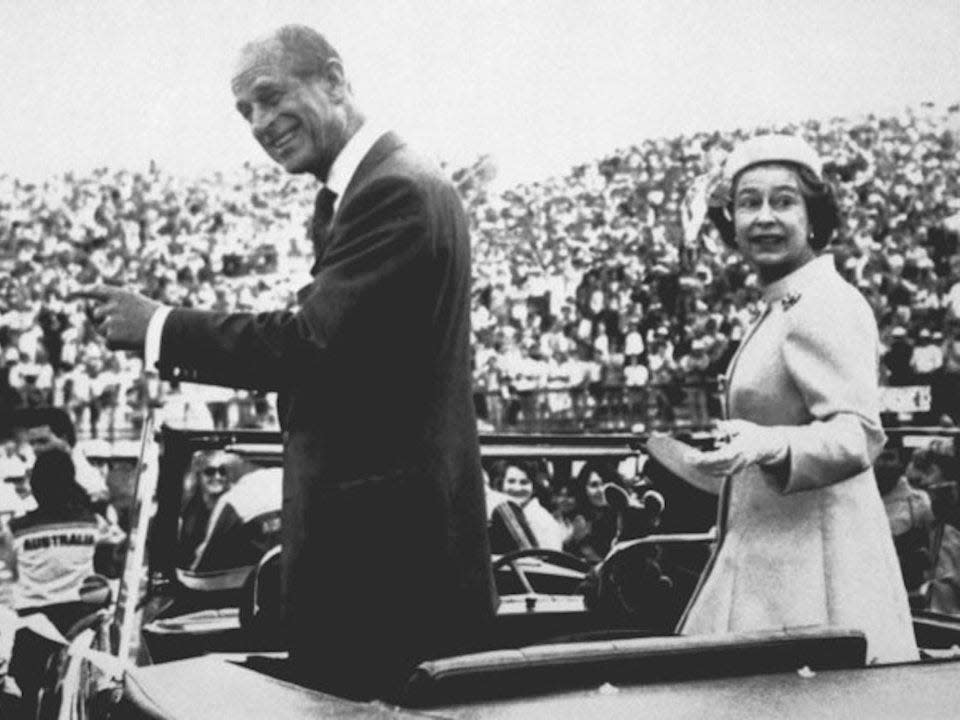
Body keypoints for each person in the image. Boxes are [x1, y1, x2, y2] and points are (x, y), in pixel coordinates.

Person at [74, 24, 495, 699]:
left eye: (269, 98)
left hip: (387, 578)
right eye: (245, 111)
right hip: (385, 565)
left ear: (332, 80)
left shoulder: (394, 191)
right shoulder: (371, 189)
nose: (260, 124)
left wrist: (161, 327)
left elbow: (310, 345)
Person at [678, 134, 917, 664]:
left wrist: (768, 444)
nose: (764, 217)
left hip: (817, 576)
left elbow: (858, 432)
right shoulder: (784, 303)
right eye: (748, 203)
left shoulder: (824, 303)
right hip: (773, 560)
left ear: (814, 216)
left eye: (783, 201)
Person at [3, 450, 104, 716]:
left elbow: (12, 572)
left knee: (24, 689)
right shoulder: (91, 522)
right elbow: (107, 563)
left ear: (35, 486)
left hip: (34, 622)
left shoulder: (15, 528)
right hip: (79, 621)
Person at [177, 449, 243, 567]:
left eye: (222, 471)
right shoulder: (188, 509)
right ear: (198, 475)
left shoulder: (233, 506)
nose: (217, 477)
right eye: (210, 471)